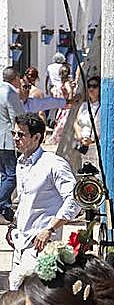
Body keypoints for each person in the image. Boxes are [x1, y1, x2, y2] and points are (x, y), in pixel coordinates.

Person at [7, 115, 80, 291]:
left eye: (21, 135)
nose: (16, 139)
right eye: (14, 134)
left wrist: (50, 229)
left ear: (37, 137)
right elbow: (24, 200)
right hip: (20, 245)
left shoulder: (53, 164)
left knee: (33, 302)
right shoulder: (21, 163)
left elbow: (74, 199)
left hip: (42, 248)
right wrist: (13, 226)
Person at [0, 70, 26, 224]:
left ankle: (5, 209)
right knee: (12, 175)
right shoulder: (9, 92)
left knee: (4, 175)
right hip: (6, 140)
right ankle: (1, 203)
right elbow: (17, 117)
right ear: (16, 79)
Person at [70, 78, 101, 168]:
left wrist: (92, 140)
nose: (91, 89)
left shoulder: (103, 107)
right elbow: (76, 123)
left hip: (96, 146)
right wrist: (80, 137)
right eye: (89, 86)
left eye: (94, 86)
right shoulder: (84, 105)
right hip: (83, 145)